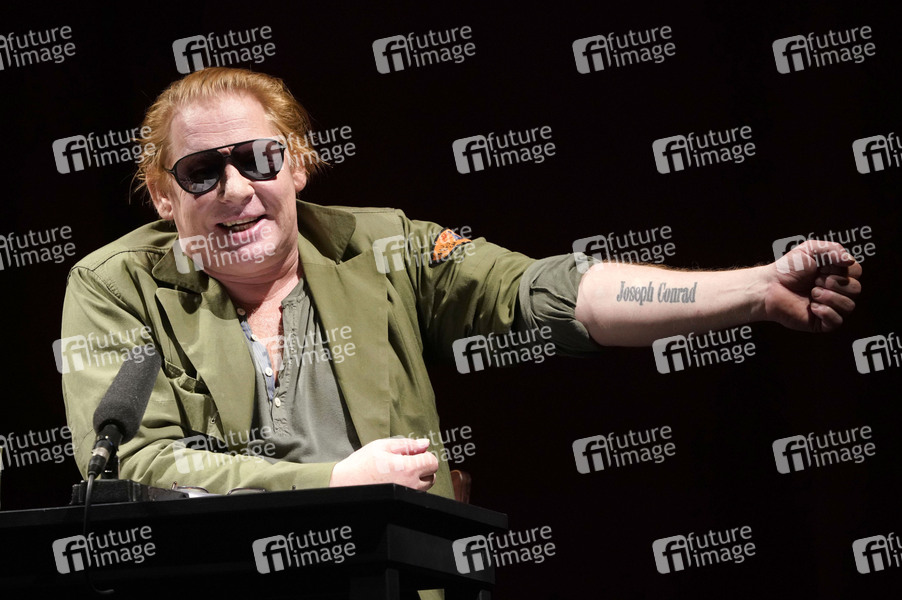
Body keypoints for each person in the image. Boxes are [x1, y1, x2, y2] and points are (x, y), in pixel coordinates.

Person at [61, 67, 862, 502]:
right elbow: (133, 466)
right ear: (163, 196)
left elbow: (547, 292)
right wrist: (332, 484)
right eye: (202, 172)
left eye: (259, 159)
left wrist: (754, 290)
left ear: (298, 165)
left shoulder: (382, 246)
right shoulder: (113, 284)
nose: (237, 189)